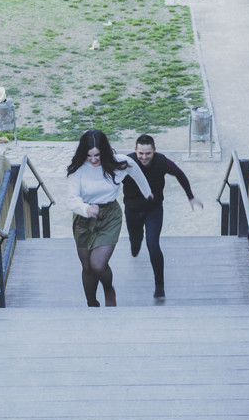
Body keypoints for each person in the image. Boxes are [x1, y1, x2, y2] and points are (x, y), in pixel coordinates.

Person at [66, 129, 153, 307]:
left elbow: (135, 170)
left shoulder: (119, 163)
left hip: (109, 216)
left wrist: (147, 192)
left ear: (104, 151)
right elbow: (71, 200)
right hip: (84, 219)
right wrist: (86, 208)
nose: (93, 160)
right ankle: (92, 303)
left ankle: (108, 288)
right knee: (87, 267)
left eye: (97, 155)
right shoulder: (78, 169)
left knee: (98, 264)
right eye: (89, 156)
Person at [122, 134, 203, 299]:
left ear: (154, 151)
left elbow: (179, 174)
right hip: (132, 210)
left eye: (148, 153)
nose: (144, 157)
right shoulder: (126, 162)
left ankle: (160, 287)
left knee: (153, 244)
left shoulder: (161, 162)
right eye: (141, 153)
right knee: (135, 241)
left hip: (154, 209)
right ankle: (135, 243)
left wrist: (191, 196)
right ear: (135, 151)